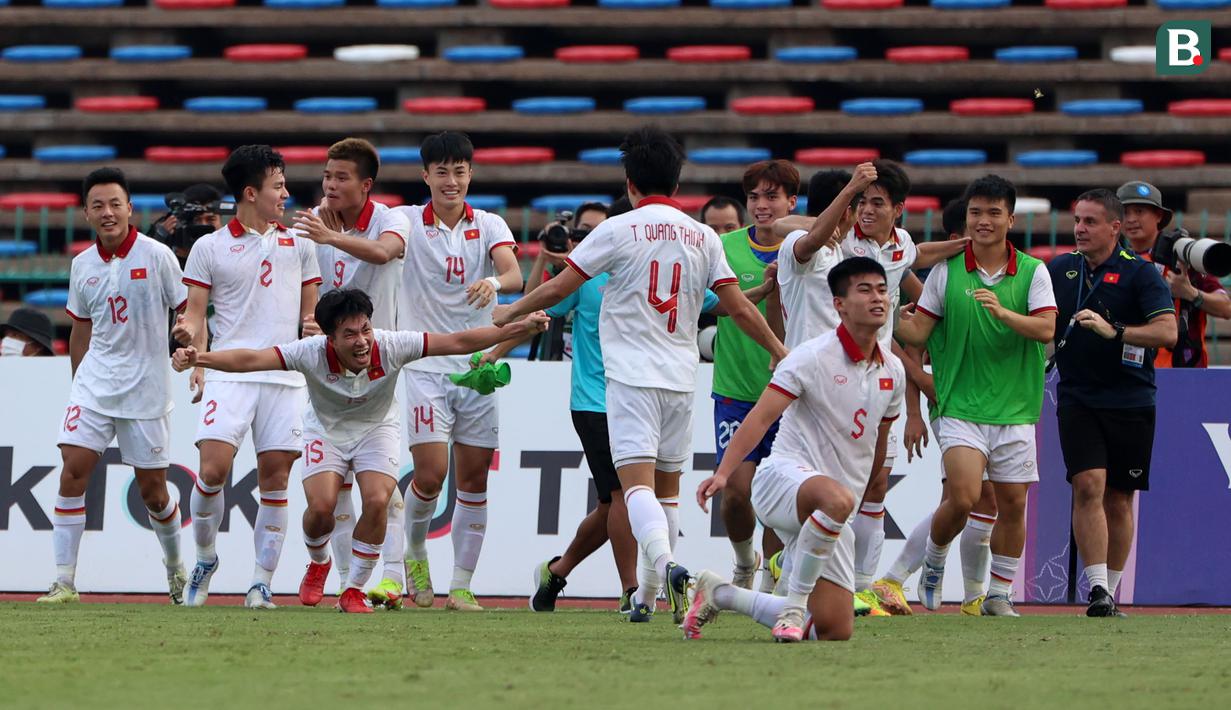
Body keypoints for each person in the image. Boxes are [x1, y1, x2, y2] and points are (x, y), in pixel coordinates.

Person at [493, 125, 788, 625]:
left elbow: (561, 286)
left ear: (630, 183)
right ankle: (647, 599)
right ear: (676, 184)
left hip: (630, 379)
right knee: (667, 492)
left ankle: (669, 566)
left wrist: (509, 312)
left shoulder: (617, 229)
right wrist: (779, 349)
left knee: (634, 491)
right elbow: (737, 307)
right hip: (681, 378)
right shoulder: (702, 236)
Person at [172, 289, 549, 612]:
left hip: (376, 429)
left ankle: (353, 589)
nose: (362, 341)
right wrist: (198, 358)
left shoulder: (393, 344)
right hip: (326, 431)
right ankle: (319, 560)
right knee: (321, 510)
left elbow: (459, 342)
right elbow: (252, 360)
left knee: (377, 500)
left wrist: (518, 328)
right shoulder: (309, 352)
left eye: (365, 329)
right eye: (350, 334)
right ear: (330, 338)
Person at [689, 257, 904, 642]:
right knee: (835, 500)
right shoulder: (811, 356)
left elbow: (878, 441)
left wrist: (864, 496)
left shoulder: (894, 370)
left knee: (834, 630)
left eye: (882, 290)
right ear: (839, 304)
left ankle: (721, 593)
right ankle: (793, 605)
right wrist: (723, 473)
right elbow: (759, 418)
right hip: (782, 481)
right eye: (865, 290)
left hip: (835, 508)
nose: (878, 298)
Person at [895, 175, 1057, 617]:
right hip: (960, 405)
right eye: (975, 212)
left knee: (1013, 505)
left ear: (1010, 219)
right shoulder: (945, 271)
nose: (983, 220)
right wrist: (887, 315)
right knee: (964, 497)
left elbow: (1046, 329)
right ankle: (934, 559)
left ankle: (998, 594)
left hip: (1016, 409)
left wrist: (1003, 313)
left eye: (993, 212)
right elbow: (917, 333)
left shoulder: (1033, 271)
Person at [174, 145, 323, 609]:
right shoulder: (208, 247)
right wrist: (190, 344)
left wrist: (313, 328)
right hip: (229, 372)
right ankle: (205, 559)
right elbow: (194, 314)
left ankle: (261, 582)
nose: (286, 194)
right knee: (212, 471)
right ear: (250, 192)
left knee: (275, 480)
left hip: (284, 374)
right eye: (278, 186)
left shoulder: (301, 243)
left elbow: (311, 314)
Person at [37, 167, 188, 605]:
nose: (107, 213)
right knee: (72, 470)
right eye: (98, 205)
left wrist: (189, 345)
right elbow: (80, 330)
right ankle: (64, 581)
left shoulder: (158, 256)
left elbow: (187, 310)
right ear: (86, 213)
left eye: (115, 204)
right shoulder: (81, 264)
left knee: (153, 493)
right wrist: (78, 387)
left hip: (147, 388)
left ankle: (175, 568)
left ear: (129, 209)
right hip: (95, 386)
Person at [394, 131, 523, 612]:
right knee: (430, 477)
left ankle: (462, 585)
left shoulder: (489, 224)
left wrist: (493, 282)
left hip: (477, 366)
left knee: (474, 480)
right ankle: (414, 551)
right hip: (425, 365)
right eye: (442, 172)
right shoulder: (405, 221)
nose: (452, 181)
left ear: (471, 174)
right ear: (425, 176)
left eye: (460, 171)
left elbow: (514, 275)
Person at [292, 137, 413, 608]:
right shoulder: (312, 223)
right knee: (326, 503)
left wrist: (329, 238)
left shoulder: (391, 219)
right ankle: (325, 564)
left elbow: (384, 253)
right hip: (328, 368)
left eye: (341, 177)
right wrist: (306, 319)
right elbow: (302, 282)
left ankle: (370, 583)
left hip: (379, 367)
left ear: (366, 185)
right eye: (326, 175)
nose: (330, 184)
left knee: (380, 495)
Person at [1048, 188, 1177, 617]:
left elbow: (1167, 333)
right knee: (1088, 484)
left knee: (1120, 497)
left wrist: (1115, 331)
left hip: (1131, 398)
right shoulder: (1059, 269)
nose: (1080, 229)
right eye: (1077, 220)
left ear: (1114, 227)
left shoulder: (1141, 273)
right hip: (1077, 396)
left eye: (1090, 221)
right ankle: (1098, 589)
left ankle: (1111, 592)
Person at [872, 197, 1000, 617]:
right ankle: (896, 577)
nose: (984, 230)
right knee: (963, 499)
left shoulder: (991, 278)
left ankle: (971, 596)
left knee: (981, 501)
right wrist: (915, 406)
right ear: (958, 237)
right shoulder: (942, 279)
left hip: (989, 402)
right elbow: (908, 342)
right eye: (975, 223)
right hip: (952, 401)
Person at [711, 160, 795, 592]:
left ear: (791, 203)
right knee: (736, 492)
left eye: (772, 196)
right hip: (735, 391)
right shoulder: (723, 246)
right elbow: (712, 306)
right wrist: (759, 291)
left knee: (778, 497)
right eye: (754, 197)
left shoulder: (804, 250)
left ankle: (770, 585)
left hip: (789, 395)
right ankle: (746, 560)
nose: (762, 205)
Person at [1116, 181, 1231, 368]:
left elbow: (1226, 308)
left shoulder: (1183, 256)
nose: (1131, 219)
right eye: (1125, 213)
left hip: (1183, 371)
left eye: (1139, 211)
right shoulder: (1116, 259)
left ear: (1159, 215)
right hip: (1132, 371)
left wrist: (1190, 293)